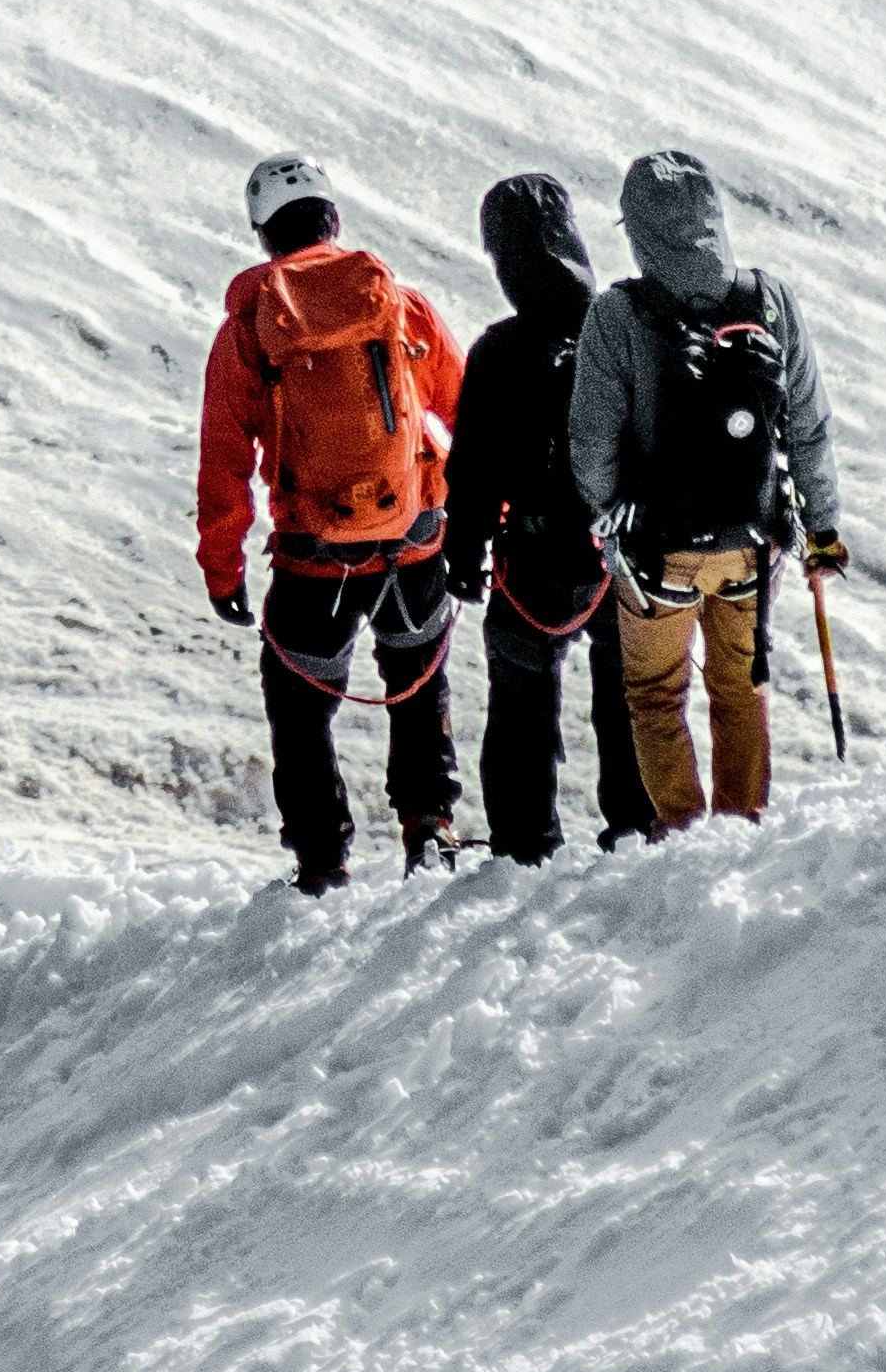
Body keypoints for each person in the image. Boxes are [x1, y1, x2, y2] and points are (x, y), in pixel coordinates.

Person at [198, 151, 466, 891]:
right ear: (333, 220)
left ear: (263, 236)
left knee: (298, 705)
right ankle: (430, 827)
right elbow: (465, 411)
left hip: (314, 556)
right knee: (417, 679)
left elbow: (224, 460)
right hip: (413, 539)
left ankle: (322, 862)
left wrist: (223, 569)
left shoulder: (249, 328)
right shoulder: (399, 304)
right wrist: (483, 519)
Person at [568, 147, 845, 829]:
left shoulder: (616, 314)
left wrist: (610, 517)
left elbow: (591, 444)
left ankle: (683, 835)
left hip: (657, 551)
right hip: (752, 542)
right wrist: (822, 530)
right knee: (741, 687)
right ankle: (741, 825)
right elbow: (808, 426)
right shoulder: (770, 299)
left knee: (655, 695)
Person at [441, 173, 650, 859]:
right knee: (628, 695)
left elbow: (472, 469)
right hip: (624, 555)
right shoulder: (625, 326)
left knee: (521, 704)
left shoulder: (499, 350)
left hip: (532, 562)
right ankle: (636, 828)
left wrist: (463, 554)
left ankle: (526, 846)